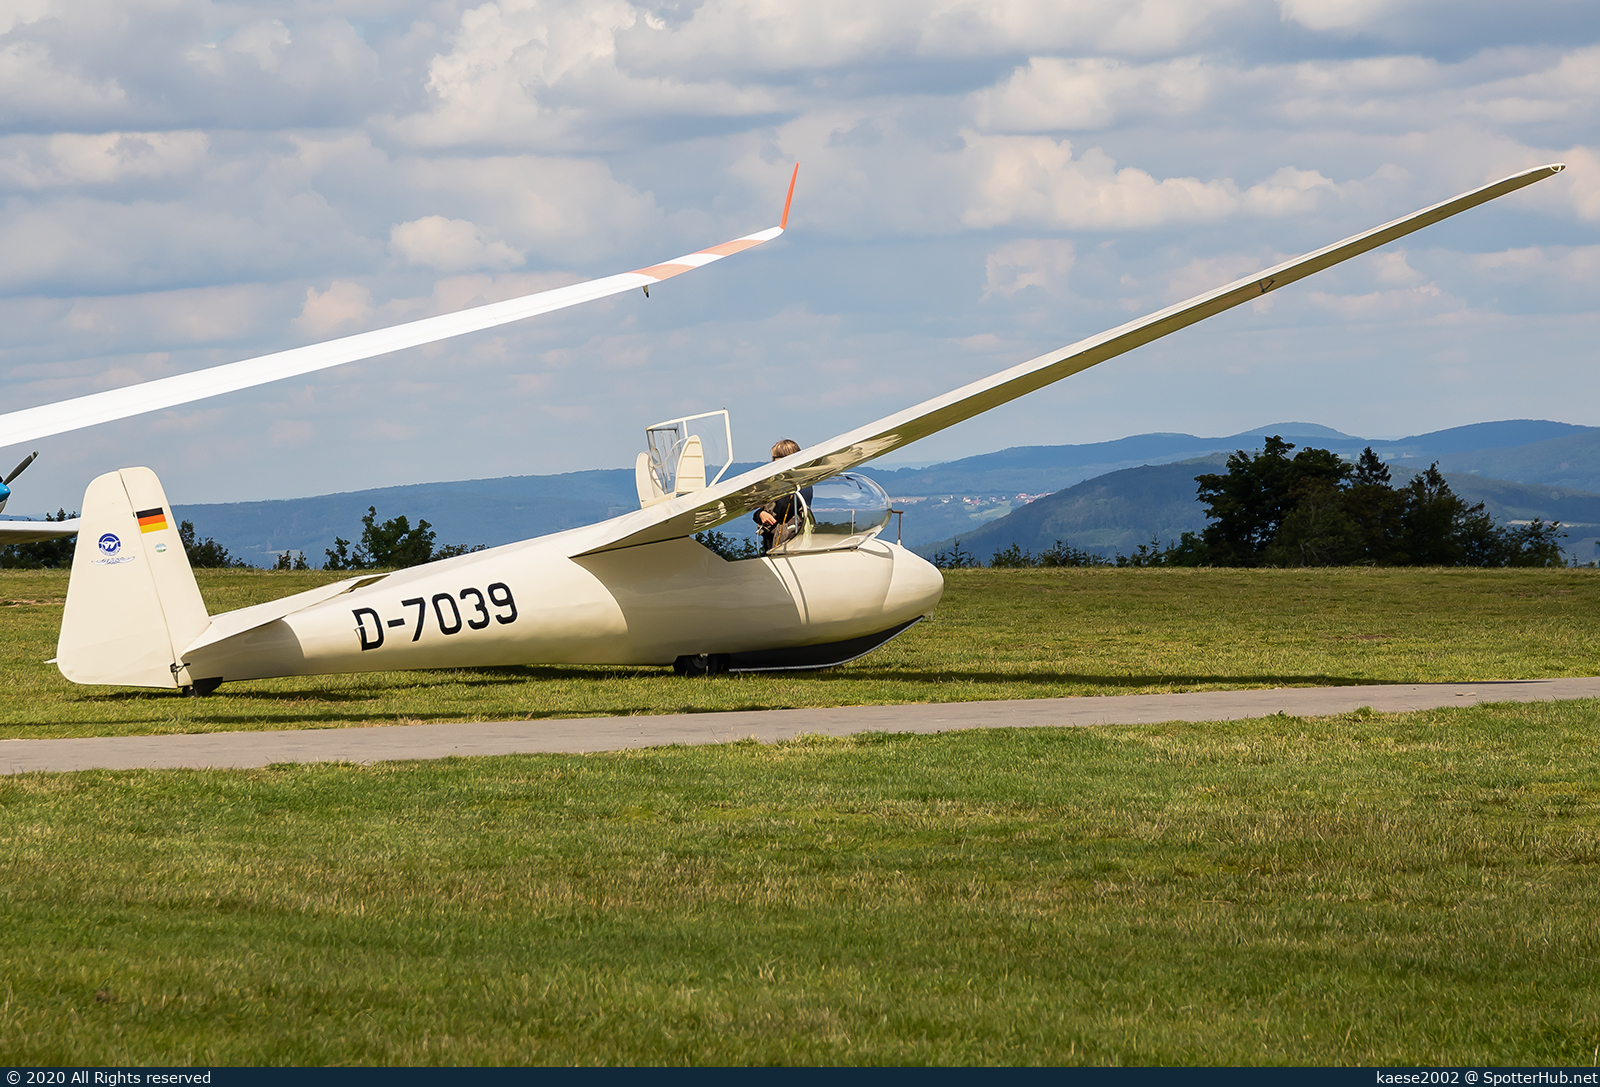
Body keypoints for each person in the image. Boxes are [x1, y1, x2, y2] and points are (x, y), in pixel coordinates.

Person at [754, 438, 812, 552]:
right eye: (773, 458)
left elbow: (785, 507)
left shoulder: (801, 484)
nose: (773, 462)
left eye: (776, 459)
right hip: (773, 543)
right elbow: (762, 510)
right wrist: (760, 514)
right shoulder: (774, 484)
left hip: (791, 544)